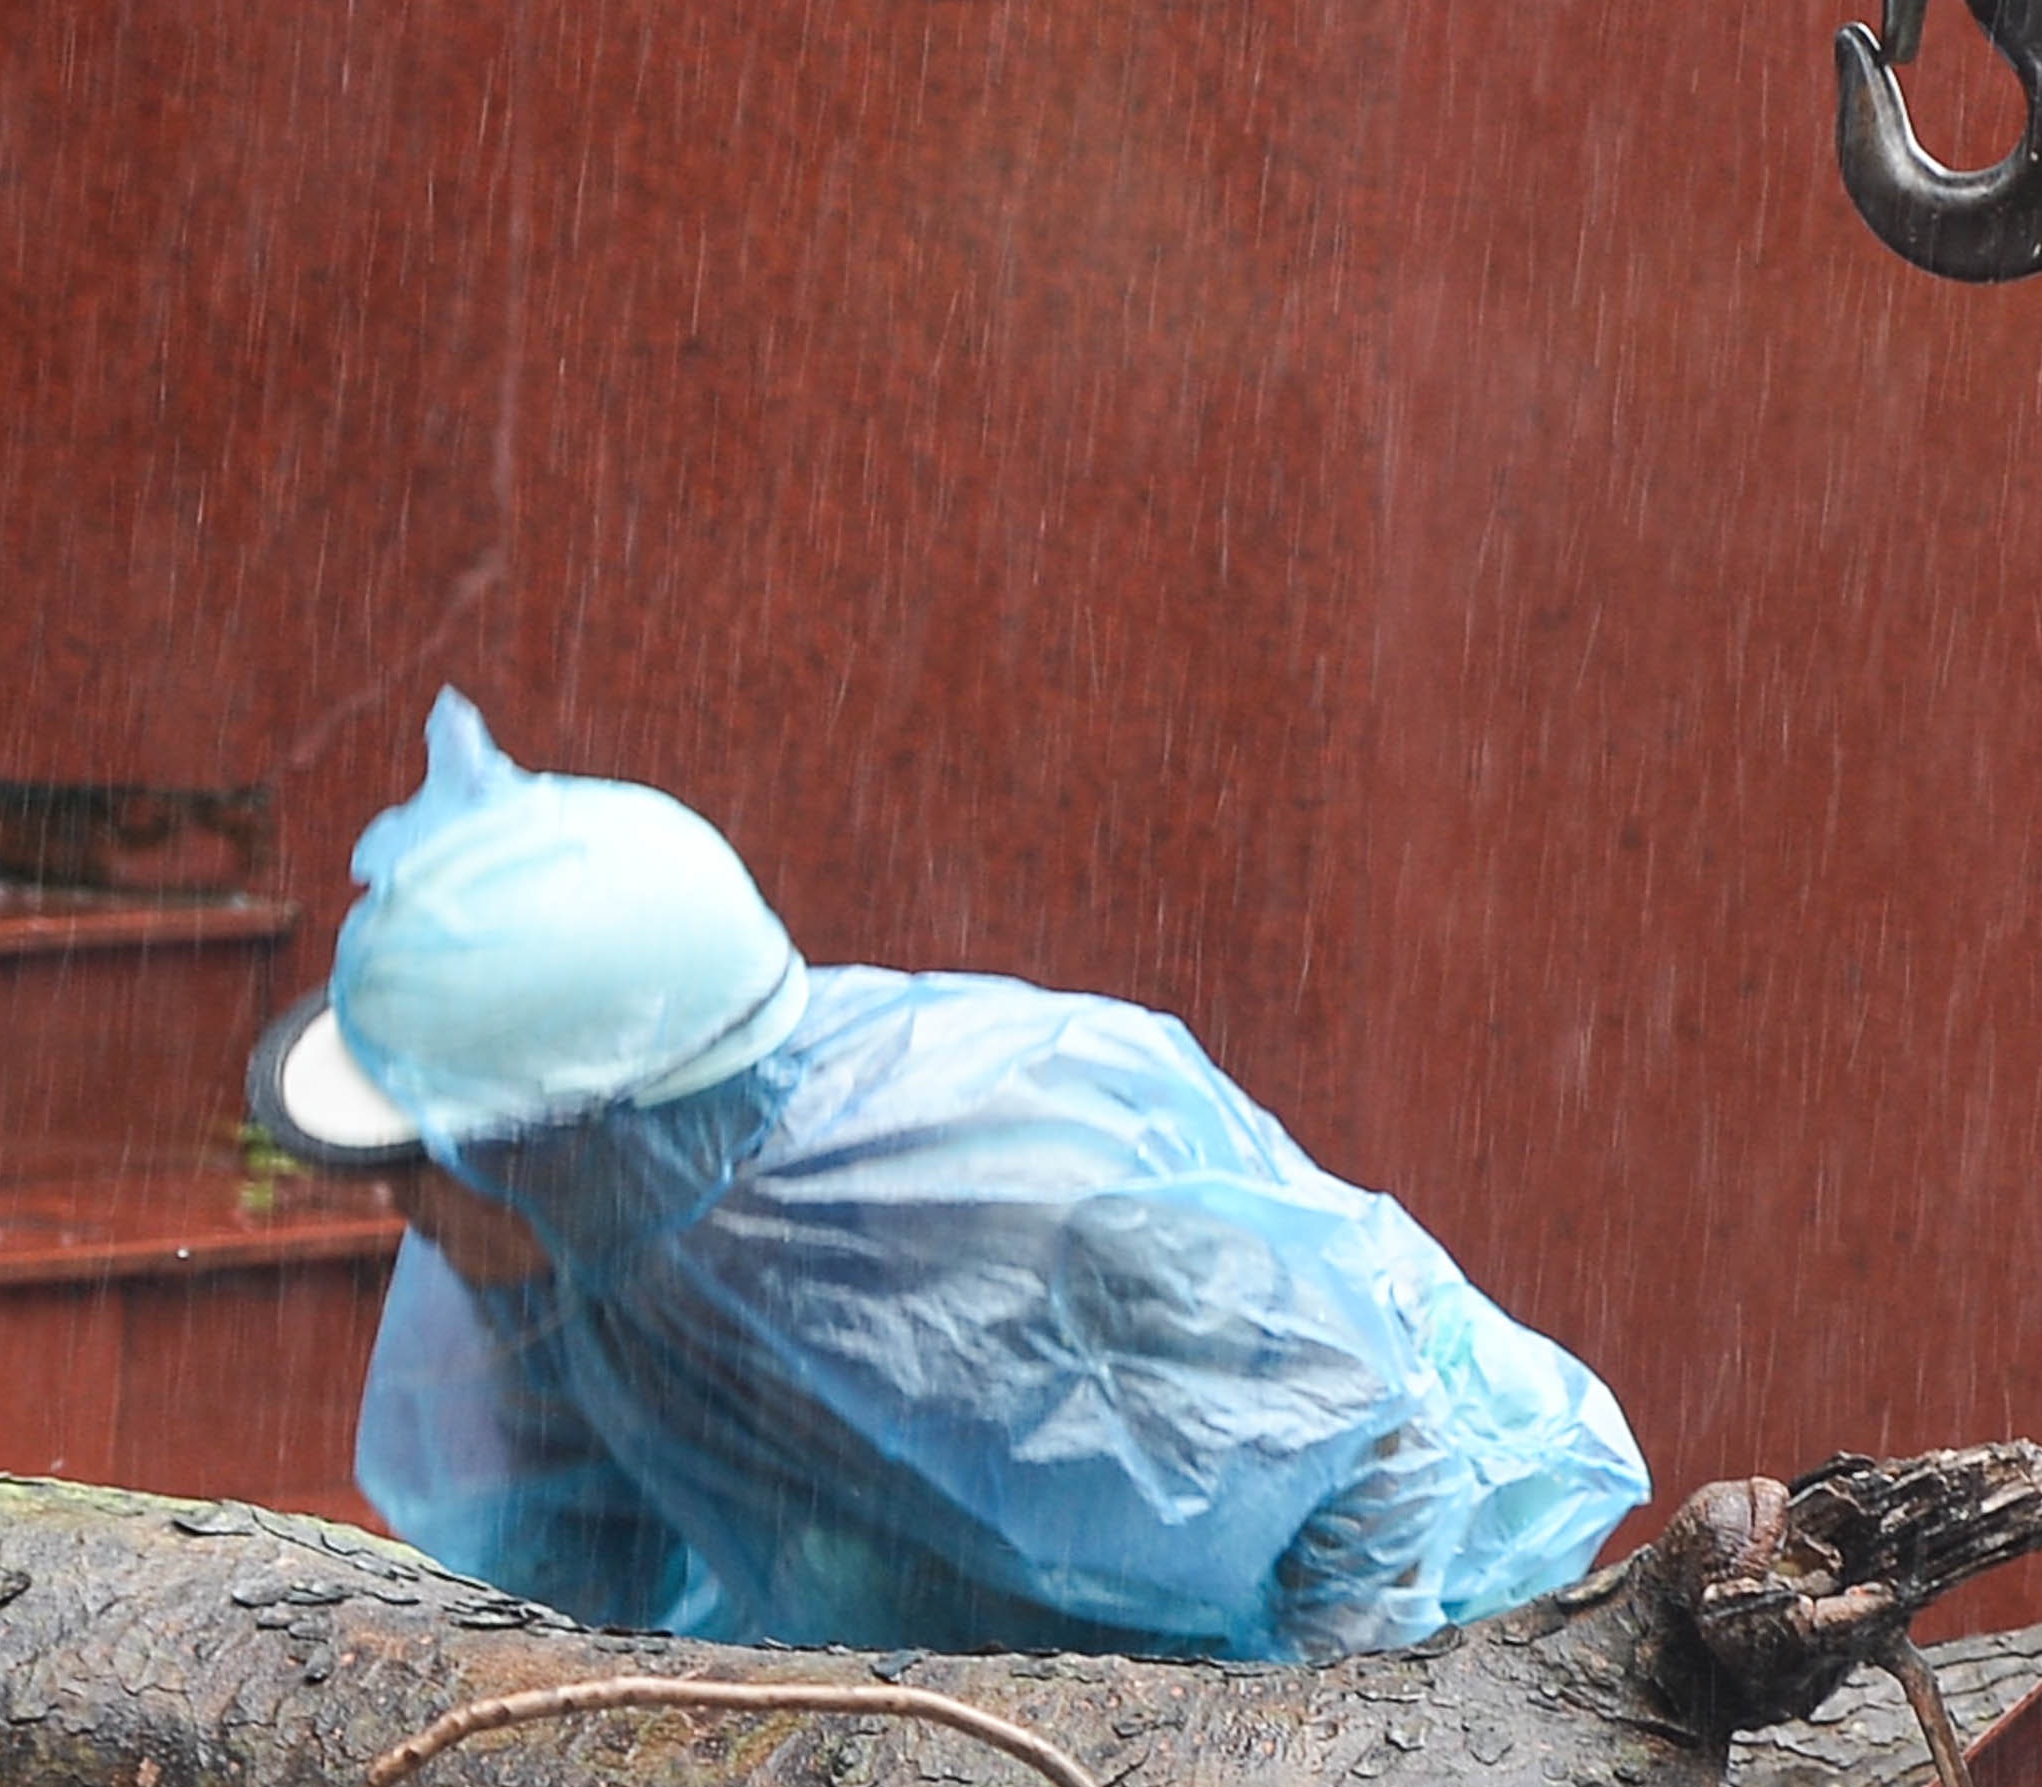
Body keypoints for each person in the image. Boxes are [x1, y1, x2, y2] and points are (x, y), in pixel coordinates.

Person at [253, 693, 1643, 1659]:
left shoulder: (1017, 1169)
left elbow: (1383, 1445)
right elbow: (562, 1578)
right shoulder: (579, 1252)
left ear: (580, 1142)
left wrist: (1313, 1769)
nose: (402, 1217)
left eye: (422, 1171)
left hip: (1383, 1639)